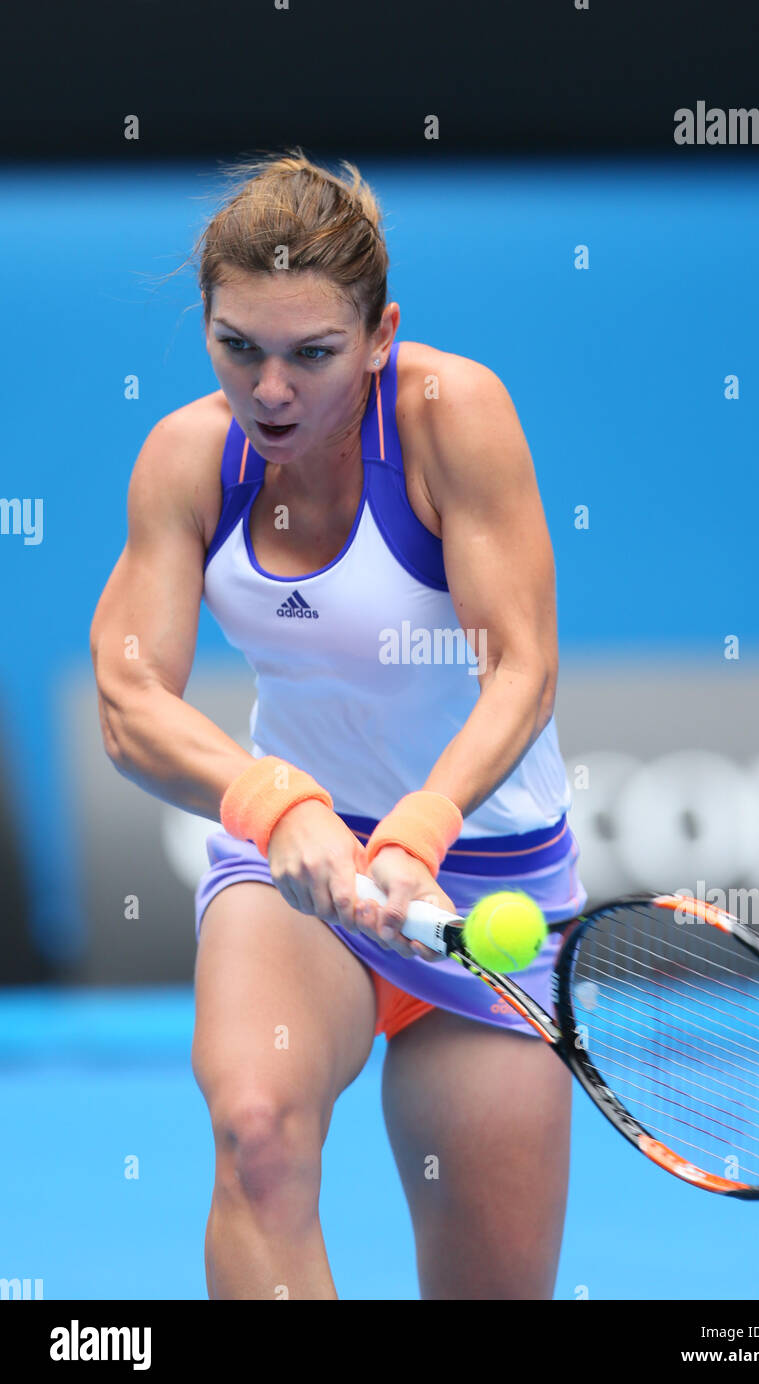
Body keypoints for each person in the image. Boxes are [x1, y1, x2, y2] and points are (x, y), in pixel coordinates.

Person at [90, 148, 586, 1300]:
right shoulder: (183, 459)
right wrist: (282, 805)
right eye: (238, 347)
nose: (269, 390)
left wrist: (418, 829)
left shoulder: (450, 414)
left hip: (482, 885)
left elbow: (521, 667)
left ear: (378, 335)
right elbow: (128, 701)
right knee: (255, 1131)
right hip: (292, 871)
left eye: (311, 353)